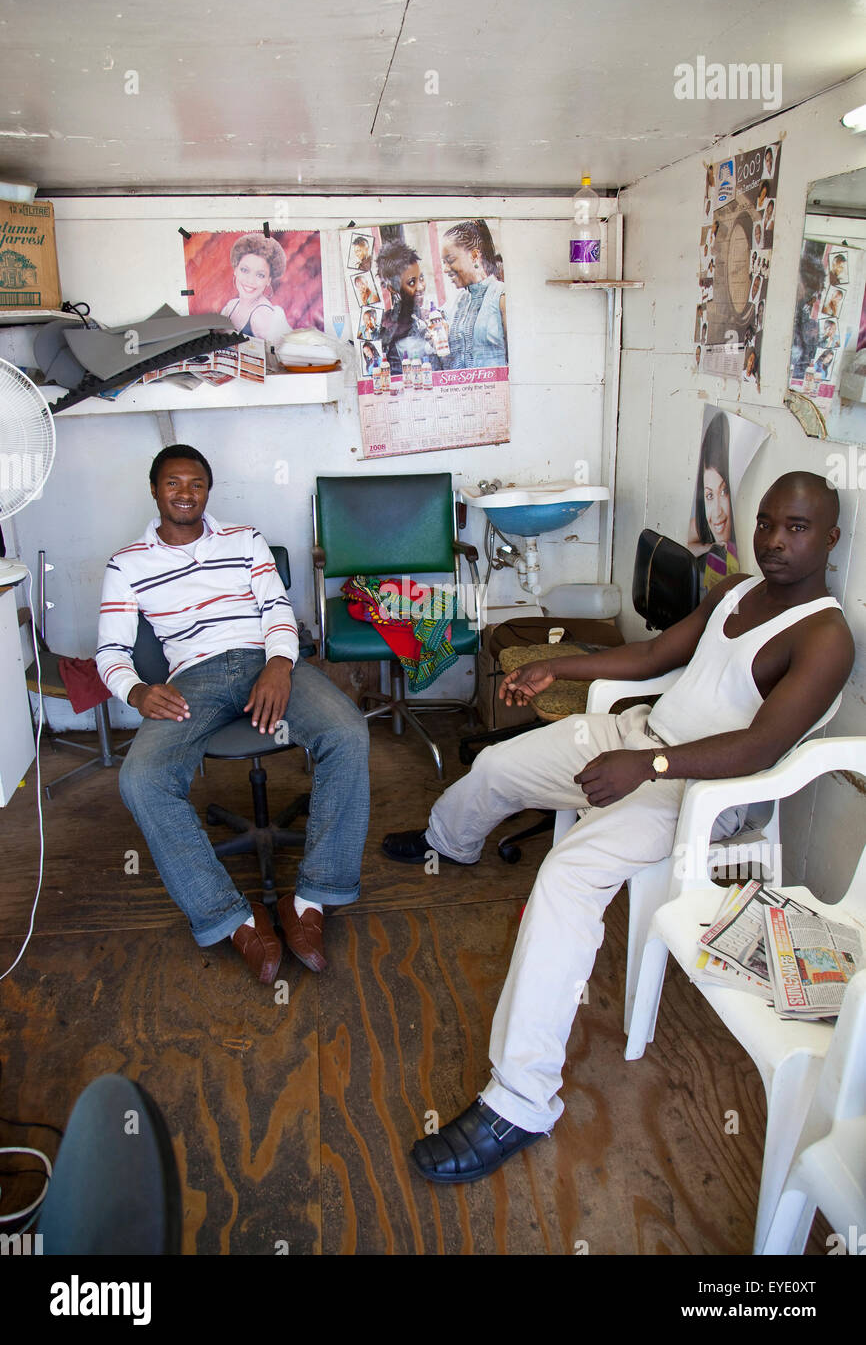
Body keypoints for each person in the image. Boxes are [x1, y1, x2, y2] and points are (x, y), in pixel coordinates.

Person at [382, 472, 853, 1183]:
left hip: (699, 794)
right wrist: (554, 670)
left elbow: (759, 749)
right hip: (640, 734)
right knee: (501, 766)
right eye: (766, 524)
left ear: (831, 538)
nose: (775, 541)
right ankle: (450, 841)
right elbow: (652, 656)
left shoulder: (825, 637)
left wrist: (650, 765)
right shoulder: (735, 590)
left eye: (796, 528)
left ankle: (520, 1100)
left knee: (566, 877)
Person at [96, 446, 369, 983]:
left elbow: (277, 612)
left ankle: (309, 900)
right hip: (191, 677)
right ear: (155, 491)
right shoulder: (127, 564)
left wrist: (279, 665)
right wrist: (135, 692)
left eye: (196, 484)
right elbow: (111, 652)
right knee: (141, 779)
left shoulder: (245, 540)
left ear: (207, 491)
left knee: (348, 734)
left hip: (264, 661)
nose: (185, 493)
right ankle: (230, 916)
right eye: (173, 483)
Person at [441, 220, 507, 369]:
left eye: (450, 260)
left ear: (474, 255)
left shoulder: (501, 296)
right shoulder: (458, 302)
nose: (445, 269)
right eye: (443, 262)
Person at [376, 239, 438, 378]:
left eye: (421, 278)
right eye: (411, 282)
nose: (420, 287)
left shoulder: (433, 317)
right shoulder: (388, 328)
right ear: (392, 289)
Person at [688, 410, 736, 566]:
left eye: (724, 492)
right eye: (709, 495)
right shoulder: (700, 523)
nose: (717, 512)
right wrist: (709, 548)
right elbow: (686, 547)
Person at [221, 232, 289, 341]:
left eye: (260, 275)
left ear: (268, 280)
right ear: (235, 270)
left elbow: (276, 356)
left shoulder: (262, 315)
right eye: (245, 270)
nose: (250, 280)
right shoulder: (230, 307)